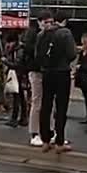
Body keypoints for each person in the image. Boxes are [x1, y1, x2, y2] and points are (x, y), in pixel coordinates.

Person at [35, 10, 77, 151]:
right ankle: (59, 142)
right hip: (62, 73)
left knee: (45, 106)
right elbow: (72, 54)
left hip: (47, 73)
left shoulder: (42, 34)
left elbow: (37, 55)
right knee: (61, 108)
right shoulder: (65, 33)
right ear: (64, 21)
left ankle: (45, 140)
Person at [22, 20, 44, 146]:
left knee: (46, 103)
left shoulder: (43, 36)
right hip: (36, 71)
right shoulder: (35, 38)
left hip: (44, 71)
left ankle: (48, 132)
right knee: (37, 102)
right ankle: (34, 133)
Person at [1, 32, 29, 128]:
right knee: (20, 97)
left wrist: (6, 62)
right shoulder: (15, 49)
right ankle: (22, 118)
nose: (8, 44)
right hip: (18, 75)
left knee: (17, 98)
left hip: (19, 75)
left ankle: (16, 118)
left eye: (10, 42)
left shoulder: (19, 51)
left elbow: (17, 64)